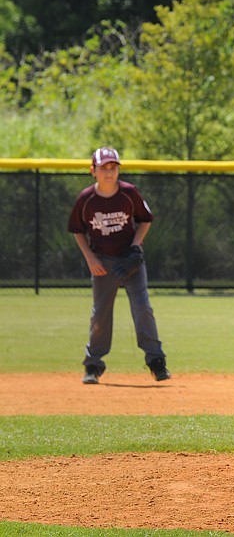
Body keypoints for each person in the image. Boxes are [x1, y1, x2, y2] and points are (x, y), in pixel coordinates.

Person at [67, 147, 170, 385]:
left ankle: (156, 361)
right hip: (102, 263)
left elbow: (145, 220)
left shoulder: (128, 193)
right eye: (104, 168)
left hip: (130, 261)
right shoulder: (86, 199)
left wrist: (136, 246)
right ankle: (93, 365)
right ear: (93, 171)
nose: (109, 172)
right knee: (100, 315)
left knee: (143, 307)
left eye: (113, 167)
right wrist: (90, 258)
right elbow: (77, 231)